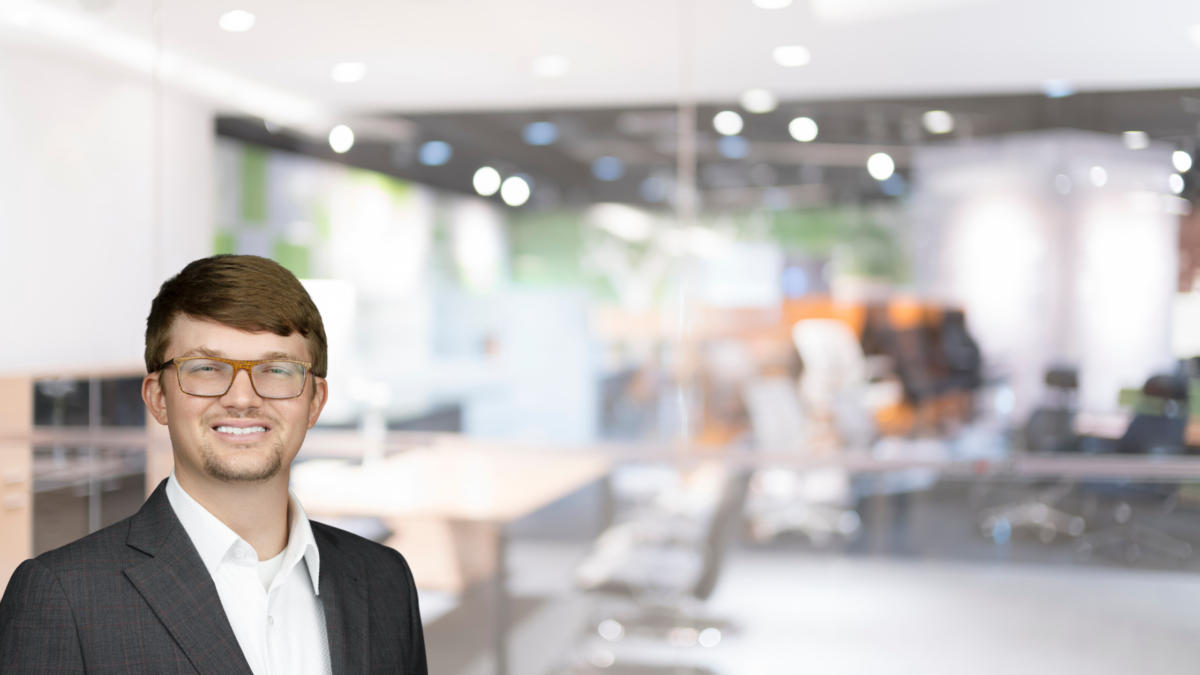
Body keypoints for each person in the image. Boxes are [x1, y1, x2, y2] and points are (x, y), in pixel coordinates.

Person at [0, 255, 427, 674]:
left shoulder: (384, 579)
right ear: (158, 397)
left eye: (277, 369)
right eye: (206, 368)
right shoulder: (64, 595)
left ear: (314, 402)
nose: (242, 398)